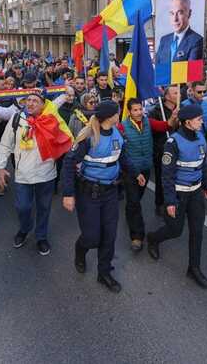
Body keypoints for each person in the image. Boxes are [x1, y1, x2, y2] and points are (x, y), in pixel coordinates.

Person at [62, 101, 145, 292]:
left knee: (109, 236)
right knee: (92, 237)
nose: (120, 115)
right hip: (88, 193)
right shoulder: (88, 136)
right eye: (117, 112)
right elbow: (68, 164)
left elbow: (122, 157)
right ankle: (80, 250)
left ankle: (104, 273)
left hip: (110, 193)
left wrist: (135, 173)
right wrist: (68, 194)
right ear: (111, 116)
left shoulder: (117, 133)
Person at [147, 104, 207, 289]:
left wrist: (206, 183)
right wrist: (170, 201)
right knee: (175, 230)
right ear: (187, 122)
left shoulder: (201, 137)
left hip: (196, 193)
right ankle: (153, 238)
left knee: (197, 231)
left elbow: (202, 164)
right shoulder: (173, 143)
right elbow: (166, 176)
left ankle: (194, 268)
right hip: (178, 193)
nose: (202, 121)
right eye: (199, 119)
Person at [0, 93, 70, 255]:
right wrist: (0, 167)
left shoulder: (52, 118)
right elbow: (5, 144)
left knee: (44, 208)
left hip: (46, 174)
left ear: (44, 104)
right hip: (23, 175)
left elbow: (66, 139)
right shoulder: (17, 119)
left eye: (35, 100)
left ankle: (41, 236)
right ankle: (24, 228)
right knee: (23, 207)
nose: (30, 103)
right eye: (28, 100)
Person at [116, 98, 176, 252]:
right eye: (135, 110)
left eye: (140, 109)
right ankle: (137, 237)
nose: (138, 112)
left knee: (135, 201)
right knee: (134, 201)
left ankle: (130, 213)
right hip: (130, 171)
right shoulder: (122, 127)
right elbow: (120, 151)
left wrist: (173, 117)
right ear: (129, 112)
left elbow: (165, 126)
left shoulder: (148, 122)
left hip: (146, 168)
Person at [149, 86, 180, 215]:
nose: (179, 95)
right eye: (175, 93)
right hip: (161, 150)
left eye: (179, 92)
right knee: (162, 179)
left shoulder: (181, 109)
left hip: (178, 150)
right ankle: (160, 203)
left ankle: (174, 202)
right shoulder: (156, 111)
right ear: (167, 96)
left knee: (176, 178)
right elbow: (154, 130)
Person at [154, 0, 204, 69]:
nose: (175, 19)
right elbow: (156, 69)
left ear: (189, 14)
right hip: (163, 81)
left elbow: (192, 74)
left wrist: (164, 74)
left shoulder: (197, 40)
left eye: (180, 13)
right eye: (172, 13)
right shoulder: (164, 40)